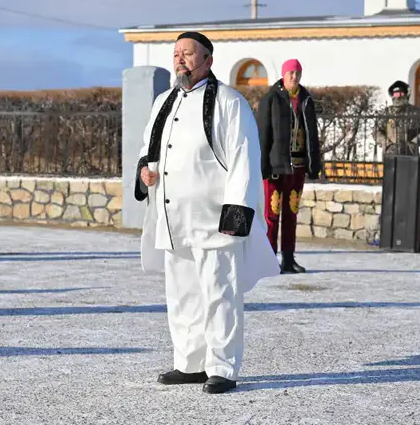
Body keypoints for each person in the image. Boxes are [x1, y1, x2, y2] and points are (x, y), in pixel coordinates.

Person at [134, 31, 280, 394]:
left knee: (220, 294)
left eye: (188, 53)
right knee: (182, 295)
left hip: (214, 221)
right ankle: (189, 363)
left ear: (208, 60)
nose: (180, 59)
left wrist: (236, 216)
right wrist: (145, 171)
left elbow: (244, 159)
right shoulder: (164, 101)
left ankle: (222, 368)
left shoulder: (230, 103)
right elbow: (149, 148)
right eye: (176, 53)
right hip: (173, 218)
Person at [256, 59, 321, 274]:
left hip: (298, 166)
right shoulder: (271, 99)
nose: (295, 77)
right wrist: (263, 167)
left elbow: (313, 135)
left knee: (291, 213)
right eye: (291, 73)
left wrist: (314, 164)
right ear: (284, 75)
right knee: (272, 215)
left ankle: (289, 259)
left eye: (298, 73)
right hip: (276, 167)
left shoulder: (306, 99)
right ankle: (268, 260)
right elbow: (263, 134)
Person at [374, 80, 420, 157]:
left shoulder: (416, 112)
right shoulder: (386, 112)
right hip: (390, 153)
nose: (398, 96)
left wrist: (414, 143)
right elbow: (376, 131)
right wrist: (387, 144)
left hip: (411, 153)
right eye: (396, 94)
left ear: (406, 94)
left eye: (401, 93)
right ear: (392, 95)